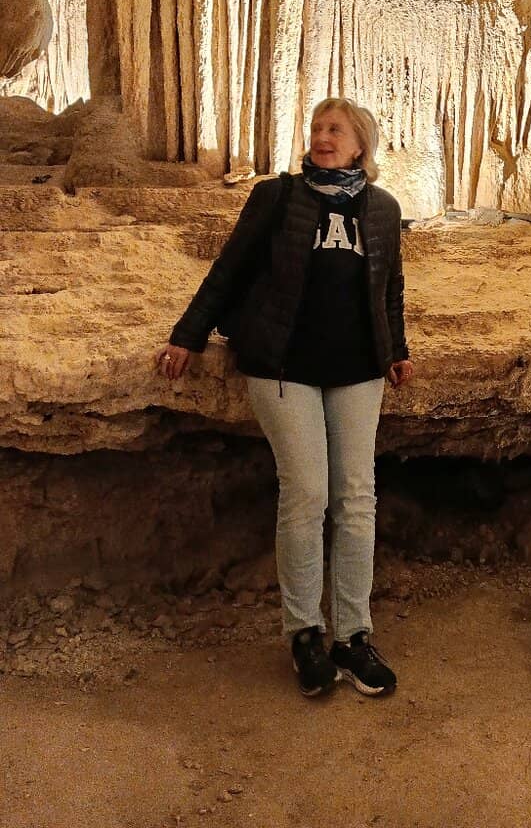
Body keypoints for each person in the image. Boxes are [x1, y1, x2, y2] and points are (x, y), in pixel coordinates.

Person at [156, 97, 413, 699]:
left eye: (337, 130)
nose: (323, 137)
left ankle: (354, 635)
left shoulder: (382, 209)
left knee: (356, 498)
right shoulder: (278, 197)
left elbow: (389, 289)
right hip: (282, 366)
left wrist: (396, 348)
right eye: (318, 128)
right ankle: (305, 633)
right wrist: (188, 335)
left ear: (360, 146)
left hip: (357, 369)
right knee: (306, 493)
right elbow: (231, 268)